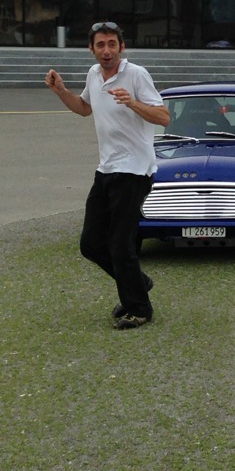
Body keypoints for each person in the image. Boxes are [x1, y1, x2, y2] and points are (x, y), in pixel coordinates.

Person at [45, 21, 170, 330]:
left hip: (135, 171)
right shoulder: (93, 74)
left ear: (121, 47)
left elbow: (164, 117)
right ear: (91, 49)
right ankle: (138, 283)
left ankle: (139, 309)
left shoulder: (136, 75)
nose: (106, 50)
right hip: (107, 169)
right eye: (100, 45)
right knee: (90, 243)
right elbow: (84, 108)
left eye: (112, 44)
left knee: (120, 244)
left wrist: (133, 102)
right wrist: (60, 91)